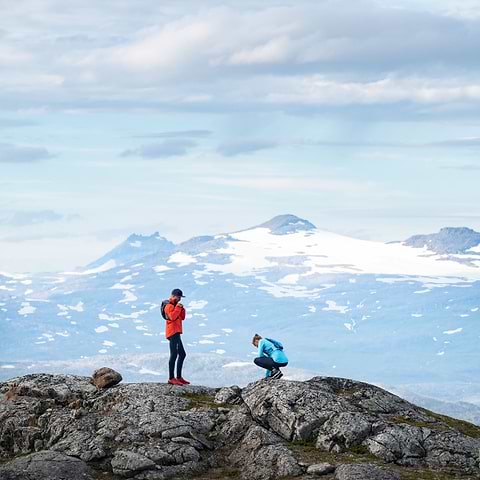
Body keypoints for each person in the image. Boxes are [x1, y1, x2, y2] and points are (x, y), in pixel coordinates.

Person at [164, 288, 190, 386]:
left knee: (182, 354)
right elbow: (172, 317)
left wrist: (181, 308)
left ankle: (178, 377)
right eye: (178, 297)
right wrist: (178, 308)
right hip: (172, 332)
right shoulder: (168, 306)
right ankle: (171, 378)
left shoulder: (176, 306)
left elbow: (182, 317)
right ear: (173, 296)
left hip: (177, 332)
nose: (179, 299)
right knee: (174, 354)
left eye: (180, 298)